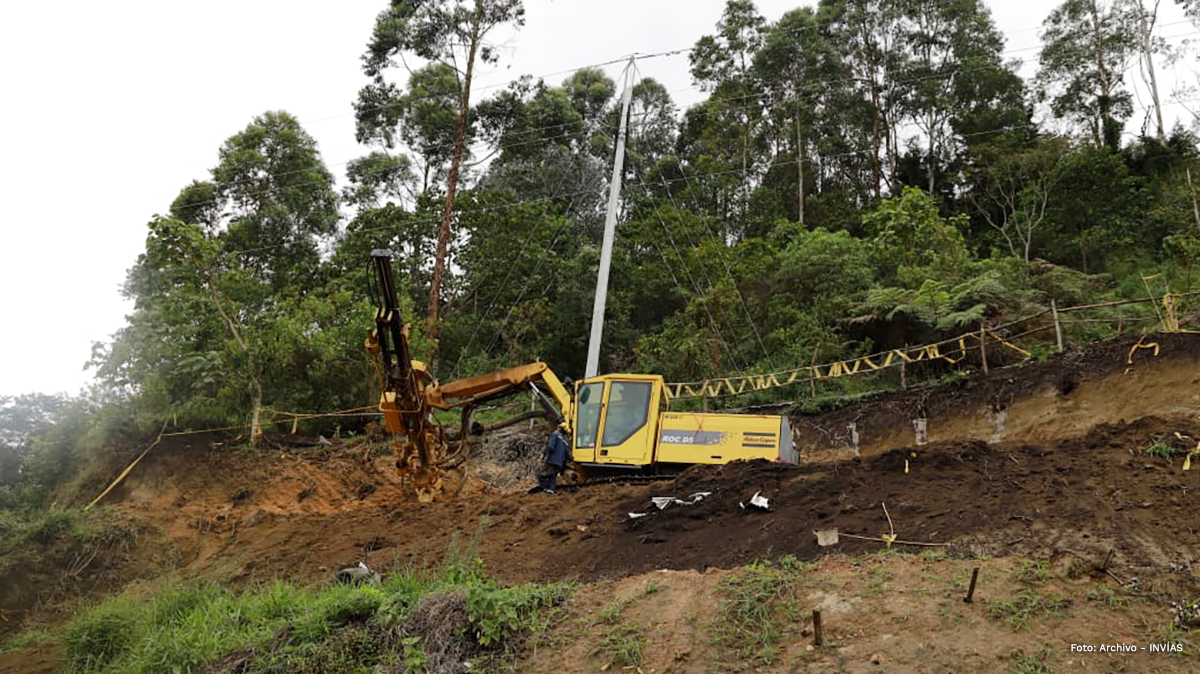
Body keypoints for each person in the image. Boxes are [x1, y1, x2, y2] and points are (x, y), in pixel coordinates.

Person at [538, 423, 570, 493]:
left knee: (541, 475)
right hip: (559, 463)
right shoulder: (564, 441)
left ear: (559, 428)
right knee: (552, 477)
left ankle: (545, 488)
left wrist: (544, 456)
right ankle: (551, 490)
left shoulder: (555, 435)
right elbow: (567, 455)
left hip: (552, 460)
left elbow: (550, 447)